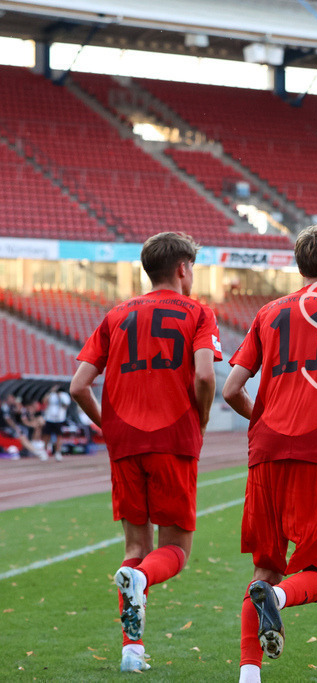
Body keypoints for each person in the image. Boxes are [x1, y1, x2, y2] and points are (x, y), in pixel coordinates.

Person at [222, 225, 317, 683]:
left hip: (266, 451)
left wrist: (263, 421)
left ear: (298, 265)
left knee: (265, 569)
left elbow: (231, 389)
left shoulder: (268, 312)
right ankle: (282, 600)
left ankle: (250, 676)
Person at [70, 231, 221, 672]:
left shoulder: (115, 315)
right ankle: (140, 579)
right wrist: (203, 419)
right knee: (174, 550)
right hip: (173, 439)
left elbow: (78, 386)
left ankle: (131, 651)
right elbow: (206, 378)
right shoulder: (198, 313)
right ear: (182, 268)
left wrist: (110, 426)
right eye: (192, 267)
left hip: (125, 443)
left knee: (136, 544)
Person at [1, 394, 45, 459]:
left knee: (36, 426)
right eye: (11, 398)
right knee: (22, 436)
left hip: (17, 426)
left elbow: (20, 413)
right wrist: (16, 428)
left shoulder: (14, 407)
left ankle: (35, 447)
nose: (13, 399)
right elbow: (8, 420)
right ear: (7, 399)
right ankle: (36, 451)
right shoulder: (4, 407)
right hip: (6, 428)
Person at [42, 385, 72, 461]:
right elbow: (44, 401)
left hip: (59, 419)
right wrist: (50, 392)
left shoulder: (64, 395)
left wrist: (59, 397)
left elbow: (66, 405)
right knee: (46, 435)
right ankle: (44, 452)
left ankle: (58, 452)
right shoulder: (51, 395)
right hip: (49, 418)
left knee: (59, 436)